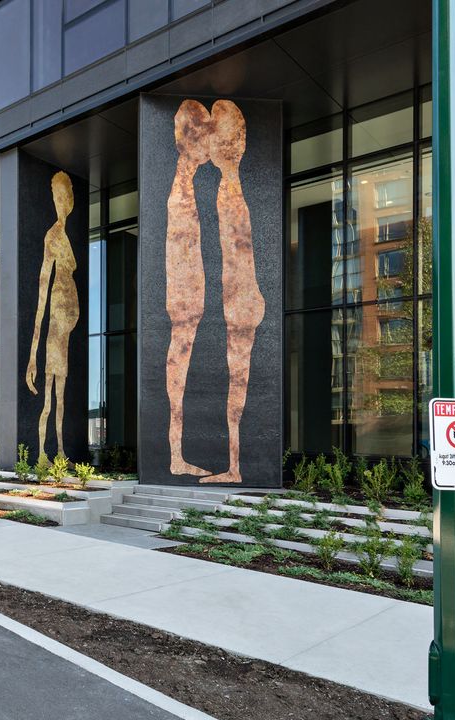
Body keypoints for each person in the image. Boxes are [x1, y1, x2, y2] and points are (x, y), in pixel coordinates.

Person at [200, 99, 263, 484]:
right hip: (239, 300)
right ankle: (234, 465)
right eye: (215, 139)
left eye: (225, 139)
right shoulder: (229, 189)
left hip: (240, 302)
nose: (219, 148)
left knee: (236, 381)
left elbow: (237, 254)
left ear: (238, 142)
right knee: (234, 380)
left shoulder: (229, 192)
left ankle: (235, 467)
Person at [164, 99, 214, 478]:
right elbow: (179, 251)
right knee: (178, 373)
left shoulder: (188, 185)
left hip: (189, 298)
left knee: (181, 372)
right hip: (185, 299)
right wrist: (190, 297)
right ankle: (175, 457)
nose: (207, 149)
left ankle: (177, 455)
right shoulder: (181, 191)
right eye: (202, 139)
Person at [25, 171, 80, 458]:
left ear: (70, 201)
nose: (60, 203)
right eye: (56, 198)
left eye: (64, 197)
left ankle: (59, 451)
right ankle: (45, 453)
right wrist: (32, 355)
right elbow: (42, 292)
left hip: (65, 329)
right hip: (55, 329)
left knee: (60, 395)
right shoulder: (54, 235)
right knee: (49, 395)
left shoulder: (66, 234)